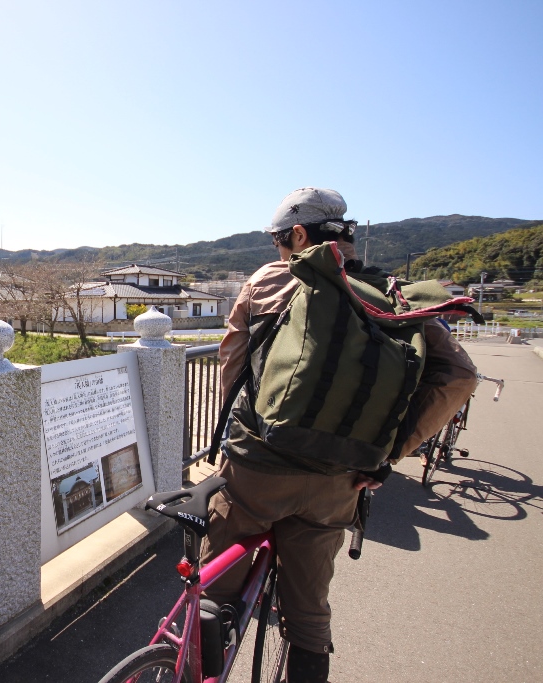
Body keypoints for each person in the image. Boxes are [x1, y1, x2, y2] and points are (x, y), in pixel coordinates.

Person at [202, 188, 478, 683]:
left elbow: (233, 365)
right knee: (309, 615)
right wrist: (386, 453)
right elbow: (459, 377)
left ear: (298, 235)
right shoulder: (393, 294)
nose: (277, 251)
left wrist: (234, 436)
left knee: (214, 591)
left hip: (258, 468)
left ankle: (196, 656)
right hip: (341, 479)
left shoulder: (268, 281)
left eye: (278, 241)